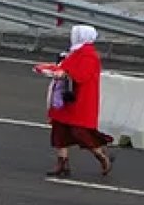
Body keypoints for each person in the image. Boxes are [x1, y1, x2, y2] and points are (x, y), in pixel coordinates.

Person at [44, 24, 112, 177]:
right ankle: (63, 161)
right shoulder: (76, 52)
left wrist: (62, 72)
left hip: (80, 99)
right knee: (59, 129)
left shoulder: (88, 55)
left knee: (80, 131)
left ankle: (101, 155)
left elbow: (81, 75)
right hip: (67, 96)